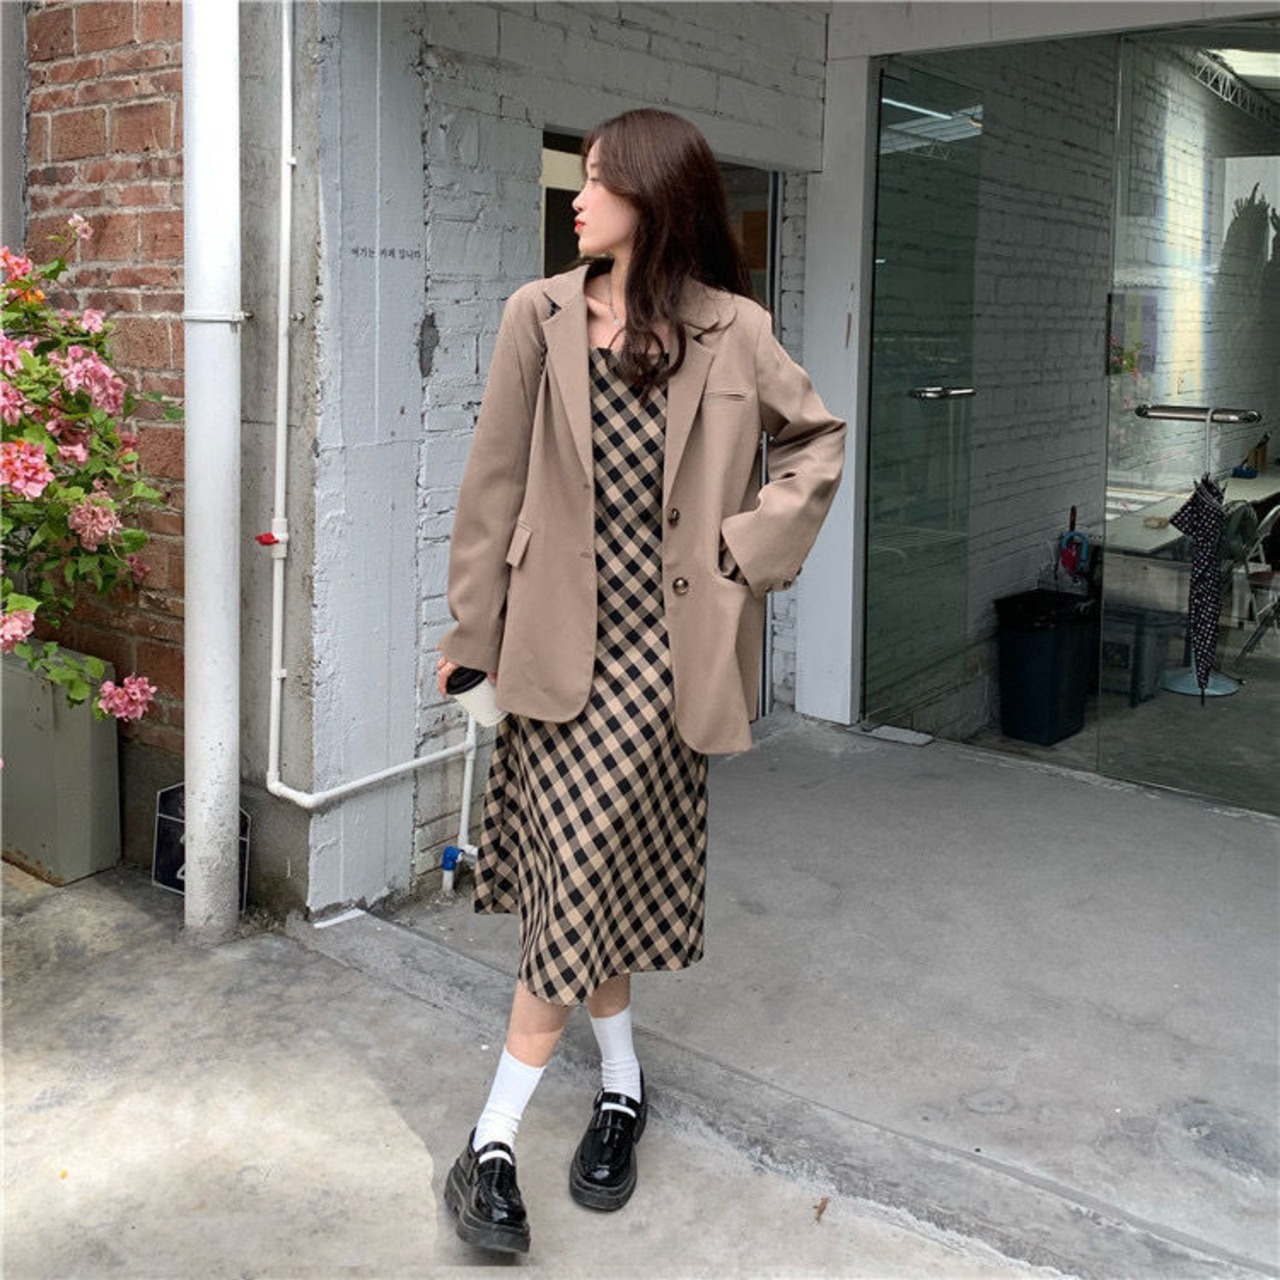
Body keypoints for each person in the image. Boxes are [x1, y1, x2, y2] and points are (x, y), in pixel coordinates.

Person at [435, 108, 845, 1255]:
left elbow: (813, 440)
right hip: (551, 645)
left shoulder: (733, 329)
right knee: (588, 884)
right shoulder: (537, 315)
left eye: (599, 179)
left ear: (655, 197)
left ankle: (491, 1138)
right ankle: (612, 1088)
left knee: (581, 879)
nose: (577, 196)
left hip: (665, 666)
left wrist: (744, 552)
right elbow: (492, 481)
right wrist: (471, 629)